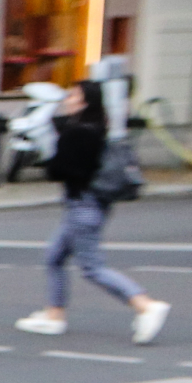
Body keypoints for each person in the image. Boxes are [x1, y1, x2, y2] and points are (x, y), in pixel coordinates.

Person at [15, 79, 170, 343]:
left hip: (82, 205)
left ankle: (144, 304)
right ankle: (54, 316)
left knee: (92, 267)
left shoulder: (78, 133)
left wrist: (49, 154)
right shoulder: (98, 129)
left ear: (84, 101)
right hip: (93, 204)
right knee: (54, 256)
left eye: (73, 96)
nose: (67, 100)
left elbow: (61, 171)